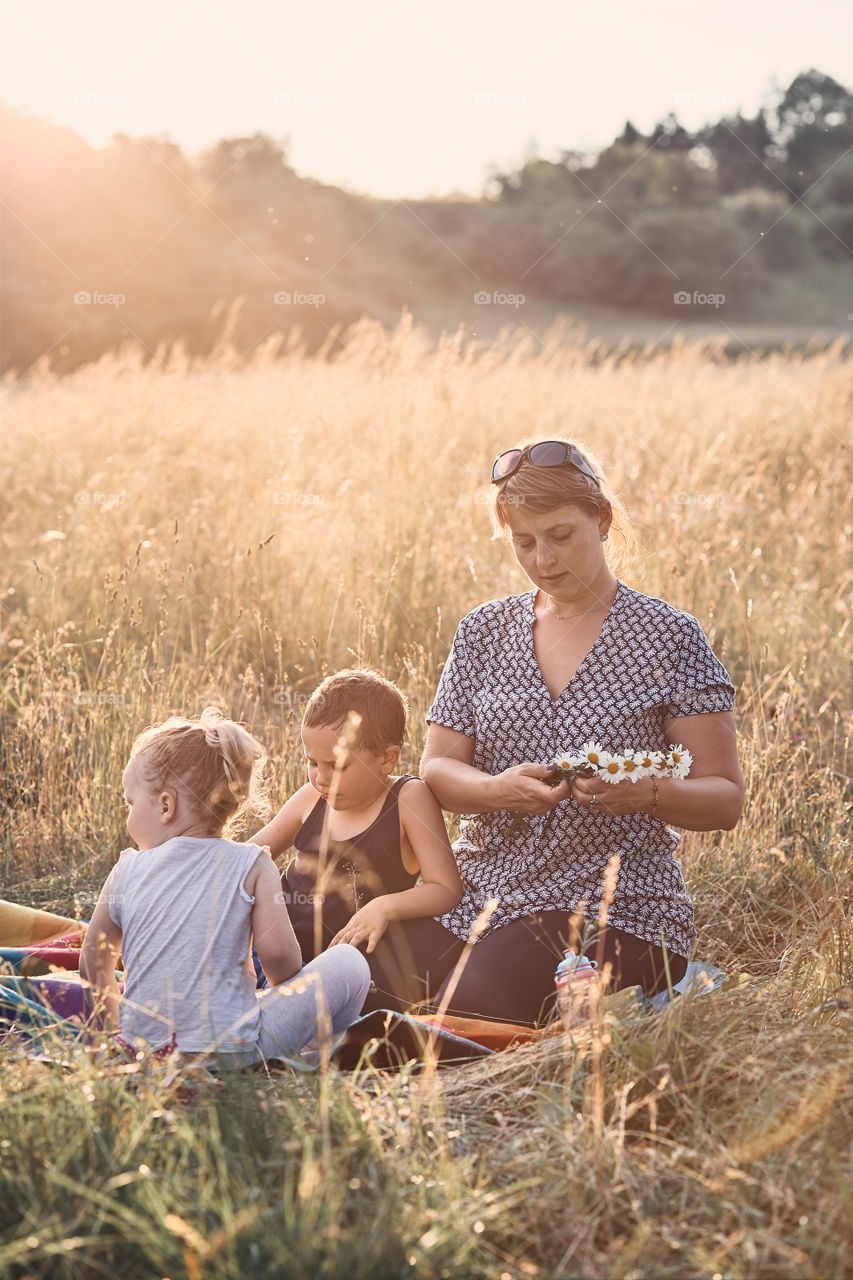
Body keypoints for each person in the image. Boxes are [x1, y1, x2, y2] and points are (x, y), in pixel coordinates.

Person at [409, 437, 745, 1026]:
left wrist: (648, 795)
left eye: (561, 536)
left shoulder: (668, 636)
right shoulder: (483, 631)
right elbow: (437, 769)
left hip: (618, 906)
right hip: (477, 891)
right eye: (524, 542)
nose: (543, 559)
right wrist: (498, 790)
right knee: (369, 986)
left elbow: (725, 798)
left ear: (604, 519)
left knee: (457, 1010)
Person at [79, 707, 370, 1064]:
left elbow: (93, 963)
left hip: (149, 1053)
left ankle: (134, 1049)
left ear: (166, 805)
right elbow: (281, 964)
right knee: (349, 963)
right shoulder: (252, 864)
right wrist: (268, 998)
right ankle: (319, 1054)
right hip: (237, 1054)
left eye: (130, 803)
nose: (128, 816)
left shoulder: (126, 869)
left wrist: (117, 1038)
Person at [250, 669, 462, 1011]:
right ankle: (262, 1000)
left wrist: (383, 907)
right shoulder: (310, 799)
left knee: (333, 999)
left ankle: (282, 1014)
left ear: (386, 759)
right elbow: (251, 856)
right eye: (312, 762)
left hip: (342, 962)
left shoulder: (407, 800)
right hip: (277, 948)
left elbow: (446, 887)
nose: (321, 777)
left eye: (337, 765)